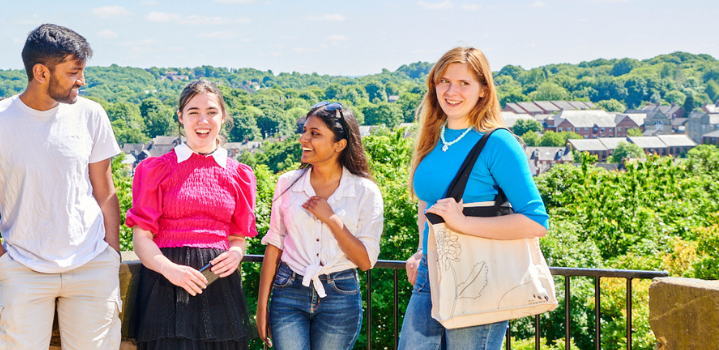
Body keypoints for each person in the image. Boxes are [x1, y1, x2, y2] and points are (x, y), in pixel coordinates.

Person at [0, 24, 122, 350]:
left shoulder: (91, 115)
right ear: (41, 72)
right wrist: (5, 267)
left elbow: (105, 192)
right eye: (74, 72)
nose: (82, 80)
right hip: (23, 270)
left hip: (92, 267)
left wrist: (112, 255)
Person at [396, 47, 549, 349]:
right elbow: (427, 203)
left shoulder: (498, 142)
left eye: (464, 83)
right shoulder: (433, 137)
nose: (451, 91)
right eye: (444, 81)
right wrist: (419, 250)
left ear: (482, 90)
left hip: (478, 275)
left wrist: (461, 222)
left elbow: (535, 221)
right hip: (430, 270)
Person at [126, 80, 258, 350]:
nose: (203, 120)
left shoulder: (240, 175)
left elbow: (237, 238)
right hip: (167, 285)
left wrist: (236, 254)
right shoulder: (155, 169)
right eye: (193, 112)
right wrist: (170, 270)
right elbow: (141, 238)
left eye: (211, 111)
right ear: (181, 117)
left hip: (218, 285)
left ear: (222, 118)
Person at [255, 102, 384, 350]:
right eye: (305, 131)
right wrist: (262, 307)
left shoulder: (365, 191)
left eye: (315, 134)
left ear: (339, 145)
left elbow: (366, 262)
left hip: (340, 297)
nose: (304, 138)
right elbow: (274, 245)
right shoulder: (288, 184)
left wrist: (332, 219)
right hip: (288, 292)